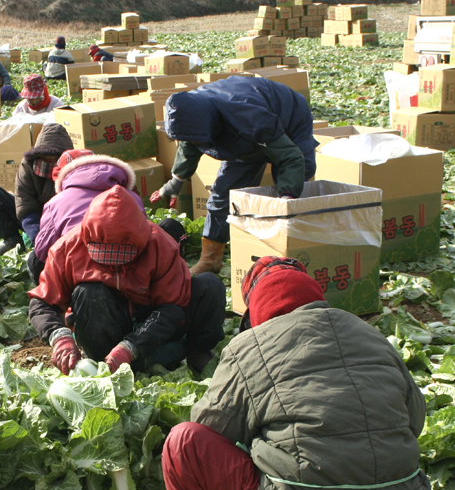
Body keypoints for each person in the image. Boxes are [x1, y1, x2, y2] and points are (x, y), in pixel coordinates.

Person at [159, 256, 429, 490]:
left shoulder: (251, 347)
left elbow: (208, 430)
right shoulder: (371, 335)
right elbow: (416, 421)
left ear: (256, 311)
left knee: (183, 444)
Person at [28, 185, 226, 374]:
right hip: (106, 323)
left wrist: (131, 347)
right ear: (88, 237)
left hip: (153, 327)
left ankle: (197, 352)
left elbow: (172, 308)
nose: (114, 264)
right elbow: (42, 302)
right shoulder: (68, 247)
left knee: (209, 284)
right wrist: (59, 336)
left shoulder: (161, 244)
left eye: (125, 255)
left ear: (142, 239)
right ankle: (102, 360)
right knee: (88, 291)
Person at [150, 76, 317, 276]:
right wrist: (176, 181)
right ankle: (210, 259)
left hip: (289, 117)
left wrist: (288, 198)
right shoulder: (188, 115)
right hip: (240, 139)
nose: (195, 143)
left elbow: (291, 157)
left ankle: (299, 251)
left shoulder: (248, 116)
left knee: (293, 188)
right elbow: (189, 145)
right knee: (223, 195)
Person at [32, 148, 142, 282]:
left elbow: (42, 251)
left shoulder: (57, 202)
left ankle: (49, 299)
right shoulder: (133, 198)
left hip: (78, 276)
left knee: (34, 260)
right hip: (129, 276)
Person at [0, 124, 72, 256]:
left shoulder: (74, 167)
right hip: (34, 215)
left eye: (54, 158)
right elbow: (25, 203)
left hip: (61, 224)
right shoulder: (29, 164)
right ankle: (12, 239)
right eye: (45, 157)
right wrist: (37, 239)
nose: (49, 161)